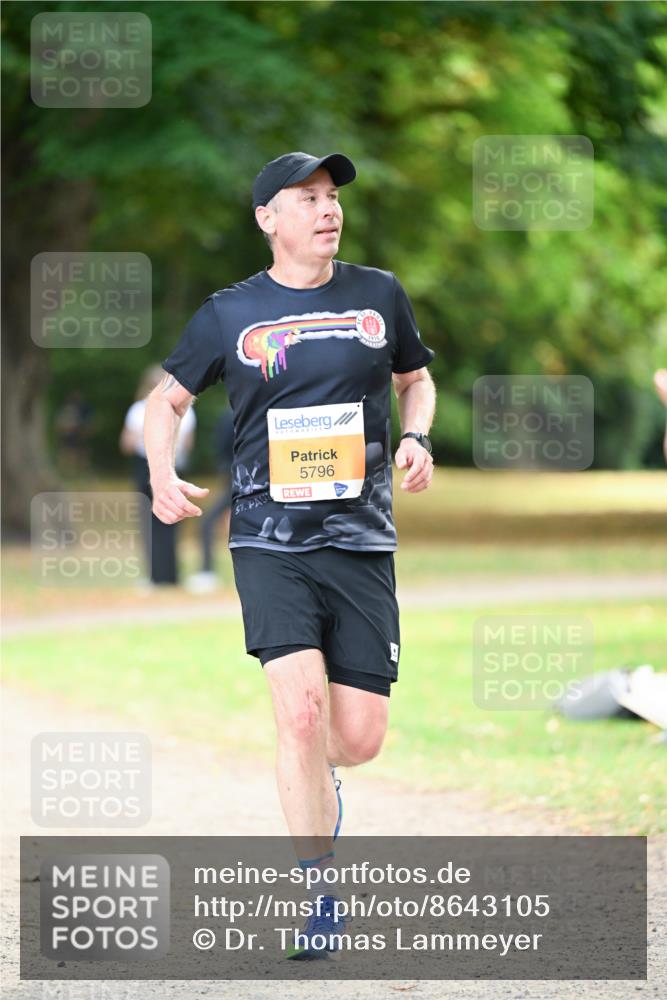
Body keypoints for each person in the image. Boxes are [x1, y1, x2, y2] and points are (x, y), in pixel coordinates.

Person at [144, 152, 436, 957]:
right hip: (268, 541)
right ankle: (320, 897)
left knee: (358, 736)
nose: (326, 209)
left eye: (332, 197)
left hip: (360, 539)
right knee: (298, 714)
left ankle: (319, 771)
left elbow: (415, 379)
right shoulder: (228, 313)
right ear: (268, 219)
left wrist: (414, 436)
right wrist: (161, 474)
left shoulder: (378, 295)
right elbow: (164, 400)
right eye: (305, 198)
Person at [120, 365, 196, 586]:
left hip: (145, 467)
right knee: (172, 520)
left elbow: (127, 443)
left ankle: (155, 576)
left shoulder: (137, 410)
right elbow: (189, 444)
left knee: (150, 522)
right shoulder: (186, 409)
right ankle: (172, 575)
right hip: (176, 468)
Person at [185, 406, 235, 593]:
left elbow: (222, 447)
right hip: (239, 477)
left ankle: (207, 572)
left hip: (236, 478)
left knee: (207, 523)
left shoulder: (230, 415)